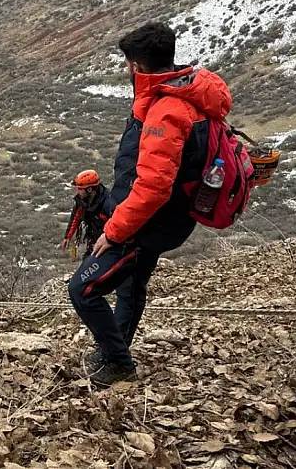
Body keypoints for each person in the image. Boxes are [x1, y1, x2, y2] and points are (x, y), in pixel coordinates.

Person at [68, 22, 232, 386]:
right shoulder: (180, 92)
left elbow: (154, 187)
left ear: (136, 67)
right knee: (131, 286)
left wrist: (113, 232)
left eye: (127, 63)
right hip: (164, 217)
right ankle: (115, 354)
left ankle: (117, 361)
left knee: (82, 289)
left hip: (145, 222)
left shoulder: (167, 110)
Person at [59, 170, 113, 259]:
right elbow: (75, 217)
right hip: (94, 242)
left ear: (89, 189)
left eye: (80, 189)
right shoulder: (82, 201)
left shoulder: (108, 204)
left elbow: (116, 226)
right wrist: (67, 237)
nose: (77, 191)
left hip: (108, 245)